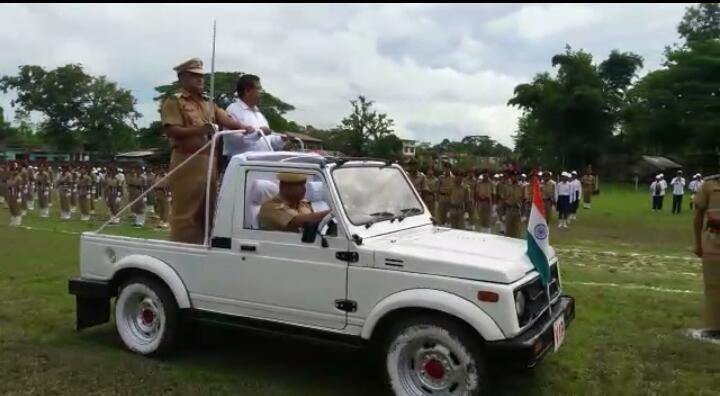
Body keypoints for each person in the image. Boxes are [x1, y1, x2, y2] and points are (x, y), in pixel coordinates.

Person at [160, 57, 247, 244]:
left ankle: (204, 244)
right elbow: (171, 130)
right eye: (194, 76)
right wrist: (199, 130)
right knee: (187, 210)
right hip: (187, 159)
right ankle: (182, 246)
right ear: (182, 78)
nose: (200, 80)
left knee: (208, 207)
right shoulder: (175, 101)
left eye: (201, 77)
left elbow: (228, 120)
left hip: (209, 160)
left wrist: (248, 127)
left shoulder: (208, 102)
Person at [223, 74, 286, 163]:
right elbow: (234, 142)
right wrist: (258, 134)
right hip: (242, 166)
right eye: (259, 89)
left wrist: (282, 139)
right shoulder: (233, 110)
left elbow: (268, 142)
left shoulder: (260, 115)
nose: (262, 92)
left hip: (262, 165)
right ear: (247, 90)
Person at [689, 173, 720, 343]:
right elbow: (698, 217)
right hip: (713, 240)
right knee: (713, 284)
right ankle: (715, 327)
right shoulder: (709, 185)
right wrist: (698, 243)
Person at [259, 173, 331, 232]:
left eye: (303, 185)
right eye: (300, 185)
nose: (304, 189)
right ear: (285, 187)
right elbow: (297, 221)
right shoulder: (270, 207)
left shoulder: (302, 203)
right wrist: (334, 212)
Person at [502, 170, 525, 238]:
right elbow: (503, 200)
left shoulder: (522, 187)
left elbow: (524, 201)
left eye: (516, 176)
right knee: (508, 231)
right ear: (510, 177)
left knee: (517, 231)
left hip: (517, 210)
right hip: (509, 210)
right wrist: (503, 213)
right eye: (513, 176)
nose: (515, 177)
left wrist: (523, 214)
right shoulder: (506, 186)